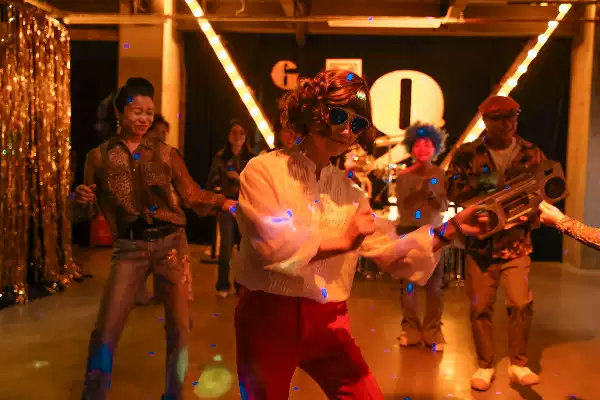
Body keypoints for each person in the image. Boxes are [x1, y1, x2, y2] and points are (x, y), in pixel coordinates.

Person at [232, 69, 491, 399]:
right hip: (269, 319)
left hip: (329, 322)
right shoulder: (264, 170)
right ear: (312, 113)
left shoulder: (351, 193)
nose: (345, 130)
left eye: (356, 124)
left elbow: (391, 252)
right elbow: (271, 245)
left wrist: (451, 229)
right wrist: (343, 241)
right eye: (339, 116)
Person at [71, 77, 235, 400]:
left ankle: (174, 395)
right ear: (120, 112)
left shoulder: (165, 153)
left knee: (180, 329)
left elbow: (191, 194)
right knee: (106, 330)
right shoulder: (98, 158)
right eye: (137, 112)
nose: (144, 119)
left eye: (149, 112)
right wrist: (79, 200)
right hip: (128, 249)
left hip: (171, 245)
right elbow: (83, 214)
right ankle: (93, 395)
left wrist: (224, 202)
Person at [446, 95, 546, 391]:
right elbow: (452, 189)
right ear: (486, 121)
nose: (507, 124)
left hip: (517, 243)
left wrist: (530, 211)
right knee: (480, 307)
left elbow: (543, 190)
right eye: (499, 119)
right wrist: (483, 201)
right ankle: (485, 364)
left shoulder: (531, 153)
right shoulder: (467, 154)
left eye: (512, 117)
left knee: (521, 302)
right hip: (480, 245)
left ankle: (518, 364)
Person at [394, 122, 449, 351]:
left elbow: (444, 206)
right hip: (408, 232)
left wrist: (432, 194)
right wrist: (418, 191)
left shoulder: (441, 174)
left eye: (427, 144)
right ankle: (410, 328)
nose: (423, 149)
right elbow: (402, 206)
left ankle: (433, 330)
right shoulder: (403, 176)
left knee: (435, 286)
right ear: (411, 148)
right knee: (409, 285)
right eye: (418, 144)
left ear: (435, 148)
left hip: (434, 234)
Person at [135, 114, 195, 304]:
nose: (162, 137)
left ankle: (169, 293)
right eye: (159, 132)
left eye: (164, 133)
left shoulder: (167, 156)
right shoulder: (137, 156)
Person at [206, 120, 256, 298]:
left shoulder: (251, 158)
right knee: (226, 247)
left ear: (246, 136)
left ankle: (241, 284)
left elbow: (257, 183)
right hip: (227, 206)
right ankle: (222, 284)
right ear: (228, 135)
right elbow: (211, 181)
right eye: (234, 132)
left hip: (246, 206)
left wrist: (239, 177)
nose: (238, 136)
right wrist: (219, 194)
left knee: (245, 247)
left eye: (241, 133)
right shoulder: (221, 157)